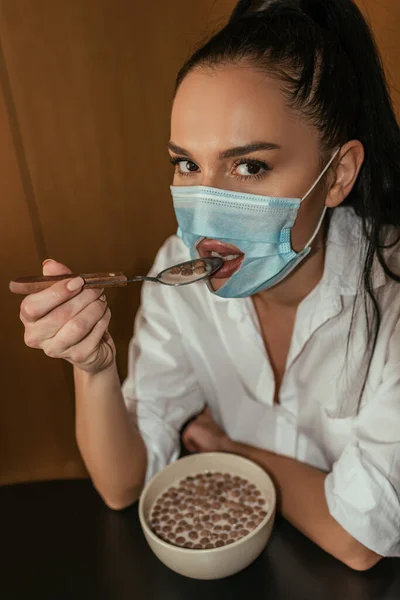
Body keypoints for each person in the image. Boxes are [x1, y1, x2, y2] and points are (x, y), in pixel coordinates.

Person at [16, 0, 400, 571]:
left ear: (338, 174)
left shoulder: (390, 292)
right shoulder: (176, 269)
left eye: (249, 167)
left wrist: (231, 451)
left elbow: (365, 538)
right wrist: (94, 368)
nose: (207, 207)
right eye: (187, 165)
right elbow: (124, 487)